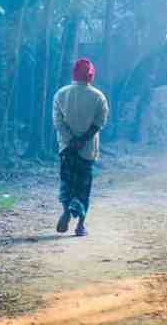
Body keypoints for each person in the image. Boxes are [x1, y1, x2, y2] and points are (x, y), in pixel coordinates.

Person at [52, 57, 109, 237]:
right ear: (91, 76)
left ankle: (67, 210)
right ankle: (80, 226)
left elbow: (58, 122)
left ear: (74, 74)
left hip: (66, 149)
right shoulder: (98, 96)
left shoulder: (61, 94)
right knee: (84, 187)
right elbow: (99, 122)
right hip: (87, 150)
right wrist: (83, 139)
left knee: (67, 183)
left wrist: (71, 140)